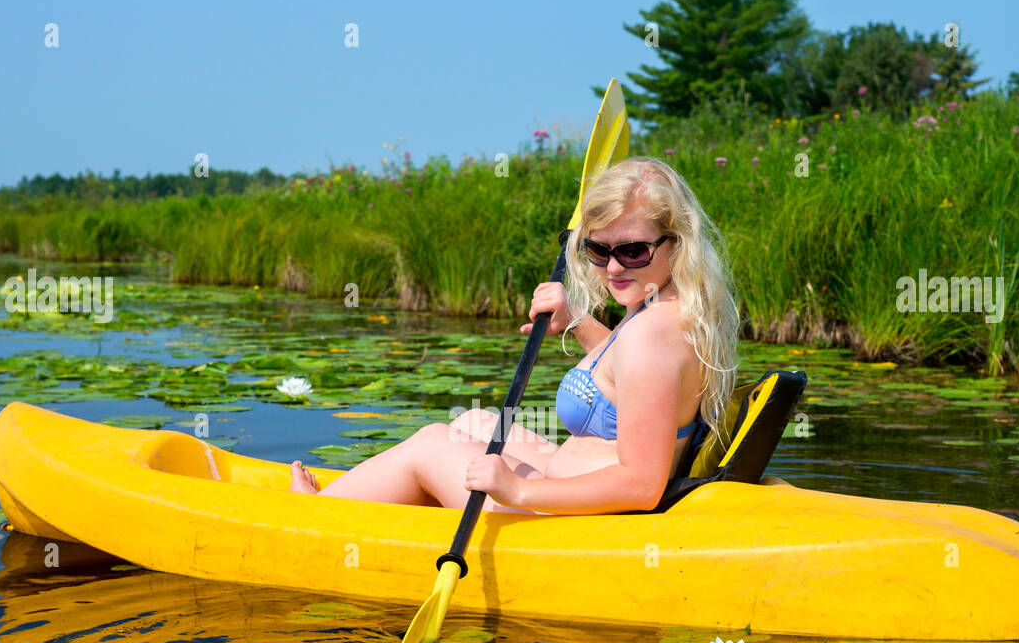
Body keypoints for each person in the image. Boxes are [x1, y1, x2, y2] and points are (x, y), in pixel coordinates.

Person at [288, 156, 742, 514]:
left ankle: (314, 518)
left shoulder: (653, 335)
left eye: (634, 250)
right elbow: (627, 379)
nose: (614, 267)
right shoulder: (667, 303)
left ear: (676, 242)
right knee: (476, 424)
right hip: (574, 493)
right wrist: (578, 320)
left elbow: (642, 486)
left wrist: (517, 490)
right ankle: (396, 509)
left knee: (430, 443)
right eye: (598, 250)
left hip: (578, 521)